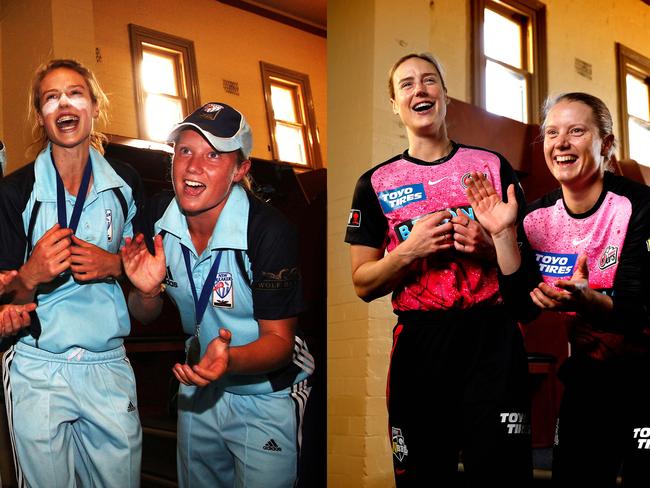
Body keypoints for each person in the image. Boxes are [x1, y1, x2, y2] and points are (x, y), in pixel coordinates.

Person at [344, 52, 532, 487]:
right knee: (424, 473)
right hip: (421, 344)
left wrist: (490, 247)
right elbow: (361, 284)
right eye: (406, 84)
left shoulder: (491, 165)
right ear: (395, 103)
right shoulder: (374, 182)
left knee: (502, 471)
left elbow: (526, 268)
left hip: (492, 338)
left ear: (444, 96)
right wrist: (408, 251)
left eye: (429, 81)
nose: (419, 90)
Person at [121, 102, 314, 488]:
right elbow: (144, 314)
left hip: (268, 394)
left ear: (240, 169)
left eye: (213, 154)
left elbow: (279, 342)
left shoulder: (267, 231)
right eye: (185, 151)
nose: (193, 166)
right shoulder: (158, 217)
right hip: (199, 389)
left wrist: (229, 361)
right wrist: (147, 291)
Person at [466, 92, 650, 488]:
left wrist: (589, 301)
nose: (560, 142)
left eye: (576, 131)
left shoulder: (640, 207)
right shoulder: (535, 218)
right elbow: (521, 307)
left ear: (606, 143)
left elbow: (637, 308)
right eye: (551, 132)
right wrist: (502, 234)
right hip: (590, 373)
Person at [0, 59, 143, 487]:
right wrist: (30, 273)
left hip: (109, 365)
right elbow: (7, 304)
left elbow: (149, 284)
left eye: (75, 92)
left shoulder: (127, 184)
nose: (64, 102)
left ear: (95, 106)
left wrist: (114, 265)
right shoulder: (15, 191)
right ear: (40, 116)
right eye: (51, 97)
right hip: (36, 366)